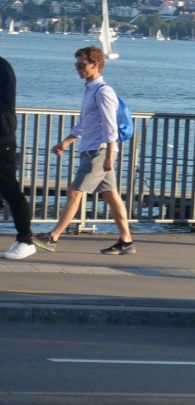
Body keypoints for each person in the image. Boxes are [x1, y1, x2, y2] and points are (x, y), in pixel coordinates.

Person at [33, 46, 136, 255]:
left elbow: (110, 127)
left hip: (98, 152)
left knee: (75, 192)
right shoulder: (90, 90)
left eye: (82, 65)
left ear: (95, 64)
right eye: (76, 65)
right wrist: (66, 142)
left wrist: (109, 155)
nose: (78, 69)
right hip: (92, 149)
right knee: (110, 196)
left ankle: (53, 237)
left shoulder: (104, 91)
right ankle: (126, 241)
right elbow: (84, 124)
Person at [0, 55, 36, 259]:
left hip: (2, 139)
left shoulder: (3, 68)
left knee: (10, 189)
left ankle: (26, 239)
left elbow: (5, 103)